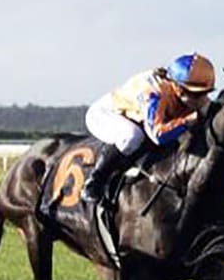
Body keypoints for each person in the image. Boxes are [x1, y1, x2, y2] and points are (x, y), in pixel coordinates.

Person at [80, 53, 216, 204]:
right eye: (196, 94)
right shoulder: (154, 93)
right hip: (105, 114)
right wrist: (188, 120)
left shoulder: (187, 93)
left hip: (138, 119)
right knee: (132, 135)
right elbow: (157, 135)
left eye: (205, 93)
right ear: (177, 87)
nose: (202, 100)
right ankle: (94, 183)